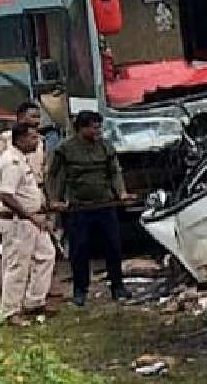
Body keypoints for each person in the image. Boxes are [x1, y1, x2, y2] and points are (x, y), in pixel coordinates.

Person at [46, 110, 134, 307]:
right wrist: (54, 200)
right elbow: (53, 176)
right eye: (94, 127)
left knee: (113, 247)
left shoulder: (105, 147)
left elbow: (115, 172)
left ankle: (117, 286)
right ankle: (80, 290)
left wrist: (122, 193)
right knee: (80, 250)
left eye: (99, 127)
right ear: (82, 128)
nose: (98, 131)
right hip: (79, 208)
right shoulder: (65, 149)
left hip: (105, 205)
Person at [0, 123, 57, 326]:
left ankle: (34, 300)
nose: (36, 141)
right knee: (18, 265)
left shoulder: (23, 159)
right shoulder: (11, 161)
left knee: (46, 255)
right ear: (20, 139)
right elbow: (6, 194)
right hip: (19, 222)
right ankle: (10, 311)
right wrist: (30, 216)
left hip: (33, 219)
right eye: (32, 138)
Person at [0, 100, 45, 214]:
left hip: (34, 193)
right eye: (33, 116)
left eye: (38, 117)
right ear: (21, 118)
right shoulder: (4, 139)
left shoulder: (40, 142)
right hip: (15, 194)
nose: (37, 121)